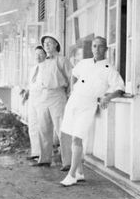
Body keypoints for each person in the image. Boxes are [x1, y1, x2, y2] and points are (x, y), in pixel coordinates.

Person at [59, 36, 125, 186]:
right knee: (70, 134)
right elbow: (73, 75)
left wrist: (108, 97)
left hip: (88, 104)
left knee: (78, 137)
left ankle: (71, 175)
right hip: (74, 100)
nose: (97, 49)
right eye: (94, 46)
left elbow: (120, 88)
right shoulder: (84, 63)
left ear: (106, 49)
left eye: (100, 46)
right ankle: (80, 172)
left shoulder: (109, 68)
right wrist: (70, 91)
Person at [32, 33, 73, 169]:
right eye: (45, 44)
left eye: (49, 43)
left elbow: (72, 79)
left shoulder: (62, 60)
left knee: (62, 129)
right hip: (43, 97)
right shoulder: (42, 62)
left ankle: (67, 162)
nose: (46, 46)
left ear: (56, 44)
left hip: (57, 96)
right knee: (43, 128)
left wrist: (69, 95)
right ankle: (44, 159)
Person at [22, 45, 47, 160]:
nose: (38, 56)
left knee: (42, 126)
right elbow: (31, 84)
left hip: (42, 99)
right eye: (36, 54)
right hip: (32, 98)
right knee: (32, 125)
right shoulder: (33, 68)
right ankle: (35, 152)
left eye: (40, 54)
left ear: (45, 54)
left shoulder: (48, 67)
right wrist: (26, 93)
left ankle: (44, 154)